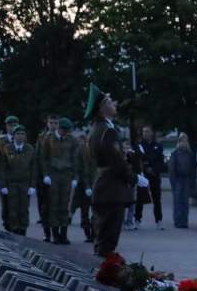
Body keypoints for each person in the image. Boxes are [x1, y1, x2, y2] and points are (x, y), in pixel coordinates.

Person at [86, 84, 139, 256]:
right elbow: (116, 161)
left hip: (105, 187)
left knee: (103, 237)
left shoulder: (98, 128)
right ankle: (100, 277)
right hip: (111, 189)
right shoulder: (107, 131)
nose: (114, 103)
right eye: (109, 101)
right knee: (107, 240)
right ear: (102, 109)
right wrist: (133, 177)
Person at [39, 117, 80, 245]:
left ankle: (64, 234)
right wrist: (45, 175)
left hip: (66, 175)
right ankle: (55, 234)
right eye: (64, 130)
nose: (66, 133)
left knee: (64, 204)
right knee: (54, 205)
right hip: (53, 175)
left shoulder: (72, 140)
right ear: (59, 128)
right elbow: (43, 158)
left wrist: (75, 177)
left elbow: (75, 159)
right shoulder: (48, 139)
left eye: (68, 131)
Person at [0, 126, 37, 236]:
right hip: (11, 184)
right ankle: (13, 231)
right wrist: (3, 185)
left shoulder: (30, 149)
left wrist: (32, 185)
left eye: (23, 134)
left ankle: (23, 230)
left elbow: (34, 168)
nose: (20, 136)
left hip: (25, 183)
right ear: (13, 136)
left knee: (23, 209)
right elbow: (3, 168)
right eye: (18, 134)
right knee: (12, 208)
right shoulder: (7, 148)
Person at [135, 125, 166, 229]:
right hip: (143, 176)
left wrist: (154, 169)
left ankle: (158, 220)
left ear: (152, 133)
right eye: (144, 131)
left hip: (154, 176)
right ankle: (137, 220)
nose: (145, 133)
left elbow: (161, 162)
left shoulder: (158, 146)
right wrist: (144, 168)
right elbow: (137, 160)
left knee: (157, 199)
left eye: (147, 131)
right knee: (140, 198)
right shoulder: (139, 146)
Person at [71, 130, 96, 242]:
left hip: (96, 184)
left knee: (97, 211)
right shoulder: (81, 150)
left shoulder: (99, 150)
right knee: (84, 210)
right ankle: (87, 233)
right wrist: (78, 180)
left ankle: (95, 232)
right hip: (83, 185)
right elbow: (78, 167)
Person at [36, 114, 59, 240]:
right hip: (43, 177)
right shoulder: (41, 137)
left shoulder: (61, 137)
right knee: (44, 205)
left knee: (55, 205)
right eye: (51, 123)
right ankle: (47, 233)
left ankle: (56, 233)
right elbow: (38, 156)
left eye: (55, 123)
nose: (53, 125)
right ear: (47, 123)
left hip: (57, 175)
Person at [0, 115, 19, 231]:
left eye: (15, 125)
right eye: (11, 125)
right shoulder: (1, 141)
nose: (13, 128)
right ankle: (6, 225)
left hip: (17, 177)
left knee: (16, 204)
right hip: (4, 176)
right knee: (5, 204)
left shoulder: (20, 138)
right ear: (6, 127)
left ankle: (15, 227)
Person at [168, 132, 196, 228]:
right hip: (178, 179)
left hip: (187, 179)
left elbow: (192, 169)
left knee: (185, 202)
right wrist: (173, 182)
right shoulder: (175, 154)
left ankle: (184, 221)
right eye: (181, 141)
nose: (183, 143)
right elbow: (171, 169)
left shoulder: (189, 154)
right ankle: (178, 221)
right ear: (179, 142)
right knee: (177, 201)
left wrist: (192, 182)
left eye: (185, 141)